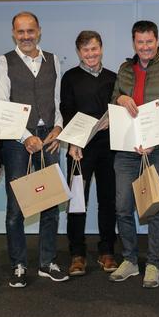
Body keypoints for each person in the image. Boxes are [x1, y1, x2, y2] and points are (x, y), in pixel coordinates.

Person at [0, 11, 68, 288]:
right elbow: (2, 105)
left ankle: (48, 262)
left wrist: (58, 128)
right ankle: (19, 264)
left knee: (51, 202)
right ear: (14, 33)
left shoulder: (53, 60)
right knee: (17, 206)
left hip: (49, 136)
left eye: (30, 31)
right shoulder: (3, 62)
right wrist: (25, 137)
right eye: (20, 31)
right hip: (17, 141)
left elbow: (57, 100)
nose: (26, 36)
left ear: (39, 31)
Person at [108, 20, 159, 288]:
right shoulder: (124, 69)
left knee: (155, 208)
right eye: (140, 42)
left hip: (156, 150)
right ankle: (129, 260)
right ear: (133, 43)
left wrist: (154, 140)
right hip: (126, 149)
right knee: (123, 207)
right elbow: (115, 96)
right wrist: (120, 99)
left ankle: (153, 263)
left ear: (157, 41)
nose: (145, 47)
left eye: (149, 42)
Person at [61, 30, 118, 276]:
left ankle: (107, 251)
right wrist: (74, 142)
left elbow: (120, 110)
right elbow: (66, 110)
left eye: (94, 49)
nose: (91, 54)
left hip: (108, 147)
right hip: (79, 149)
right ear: (79, 52)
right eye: (86, 50)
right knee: (77, 202)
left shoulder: (114, 77)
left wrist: (113, 120)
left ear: (101, 48)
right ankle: (77, 254)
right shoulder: (70, 77)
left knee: (108, 200)